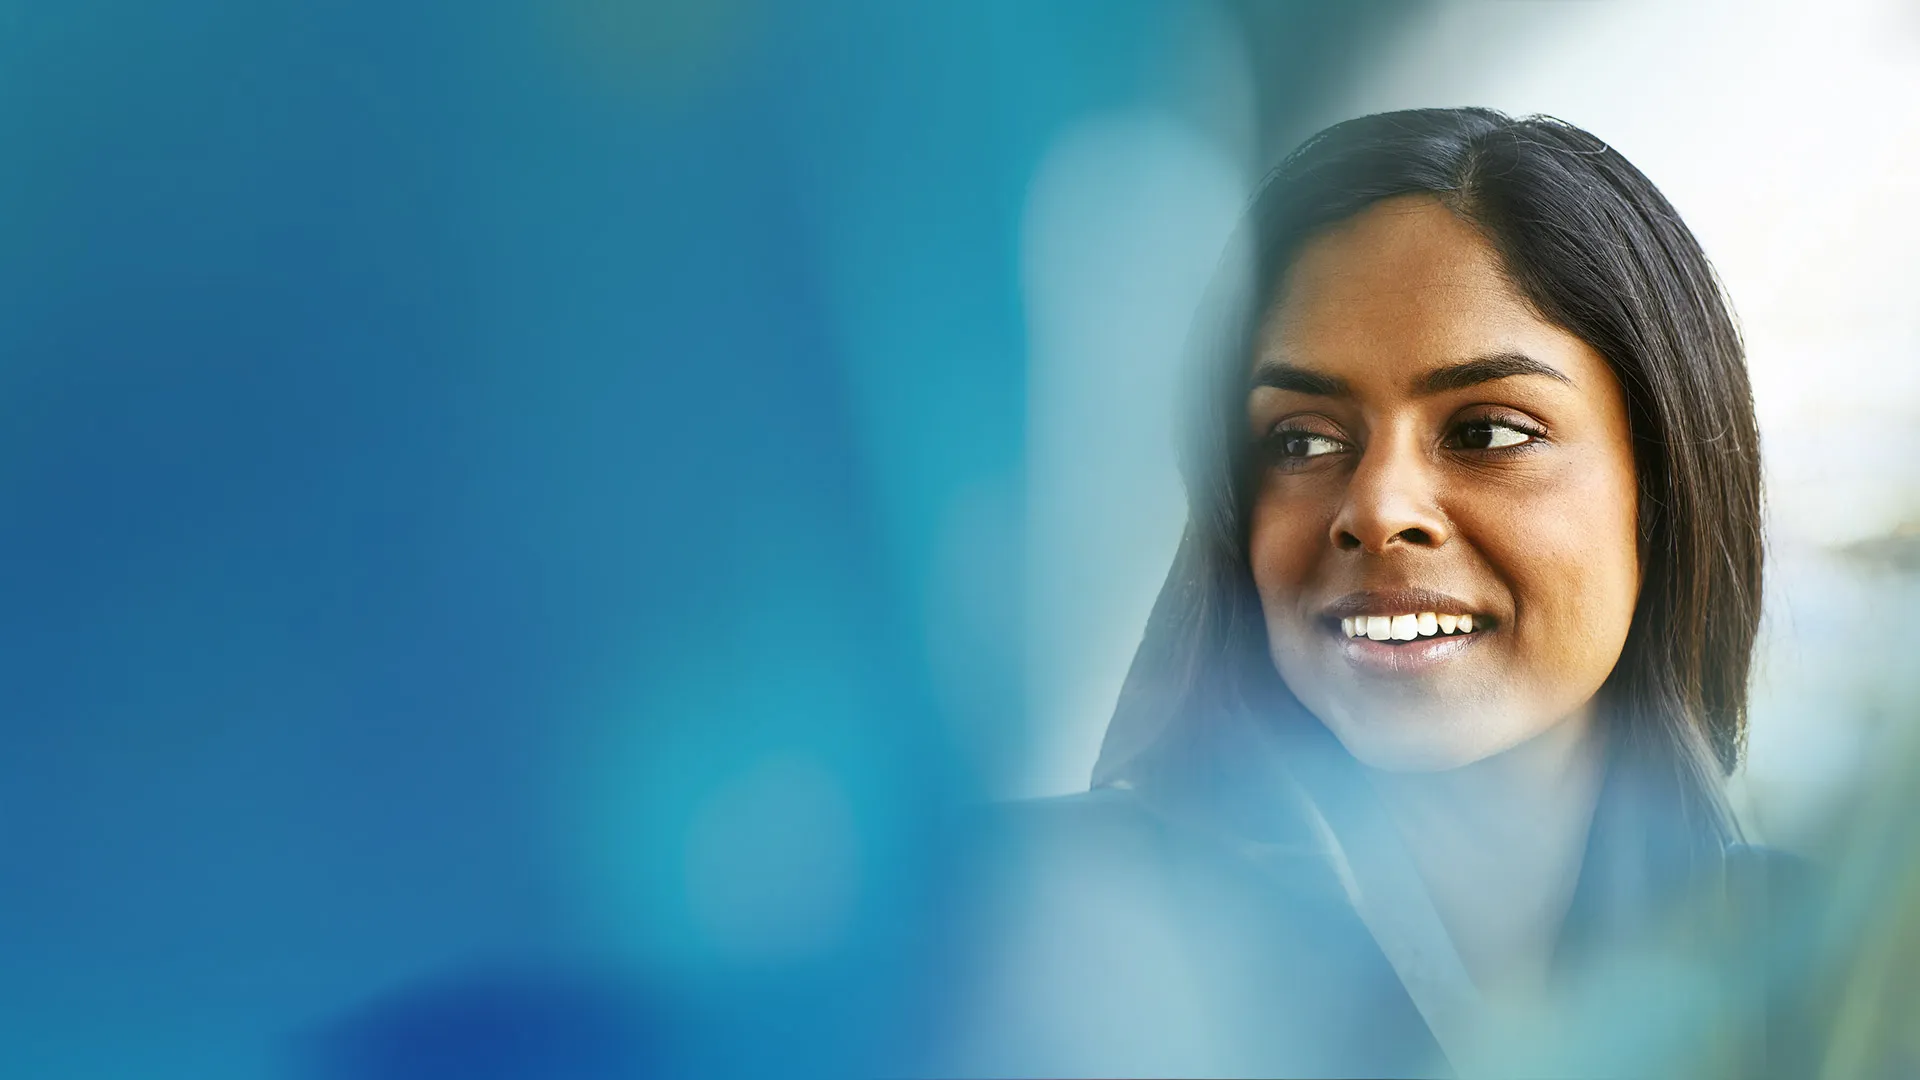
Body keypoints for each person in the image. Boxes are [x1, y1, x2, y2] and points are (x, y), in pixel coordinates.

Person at [925, 107, 1818, 1079]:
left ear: (1663, 484)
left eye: (1487, 431)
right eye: (1300, 440)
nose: (1378, 508)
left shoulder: (1843, 973)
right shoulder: (991, 943)